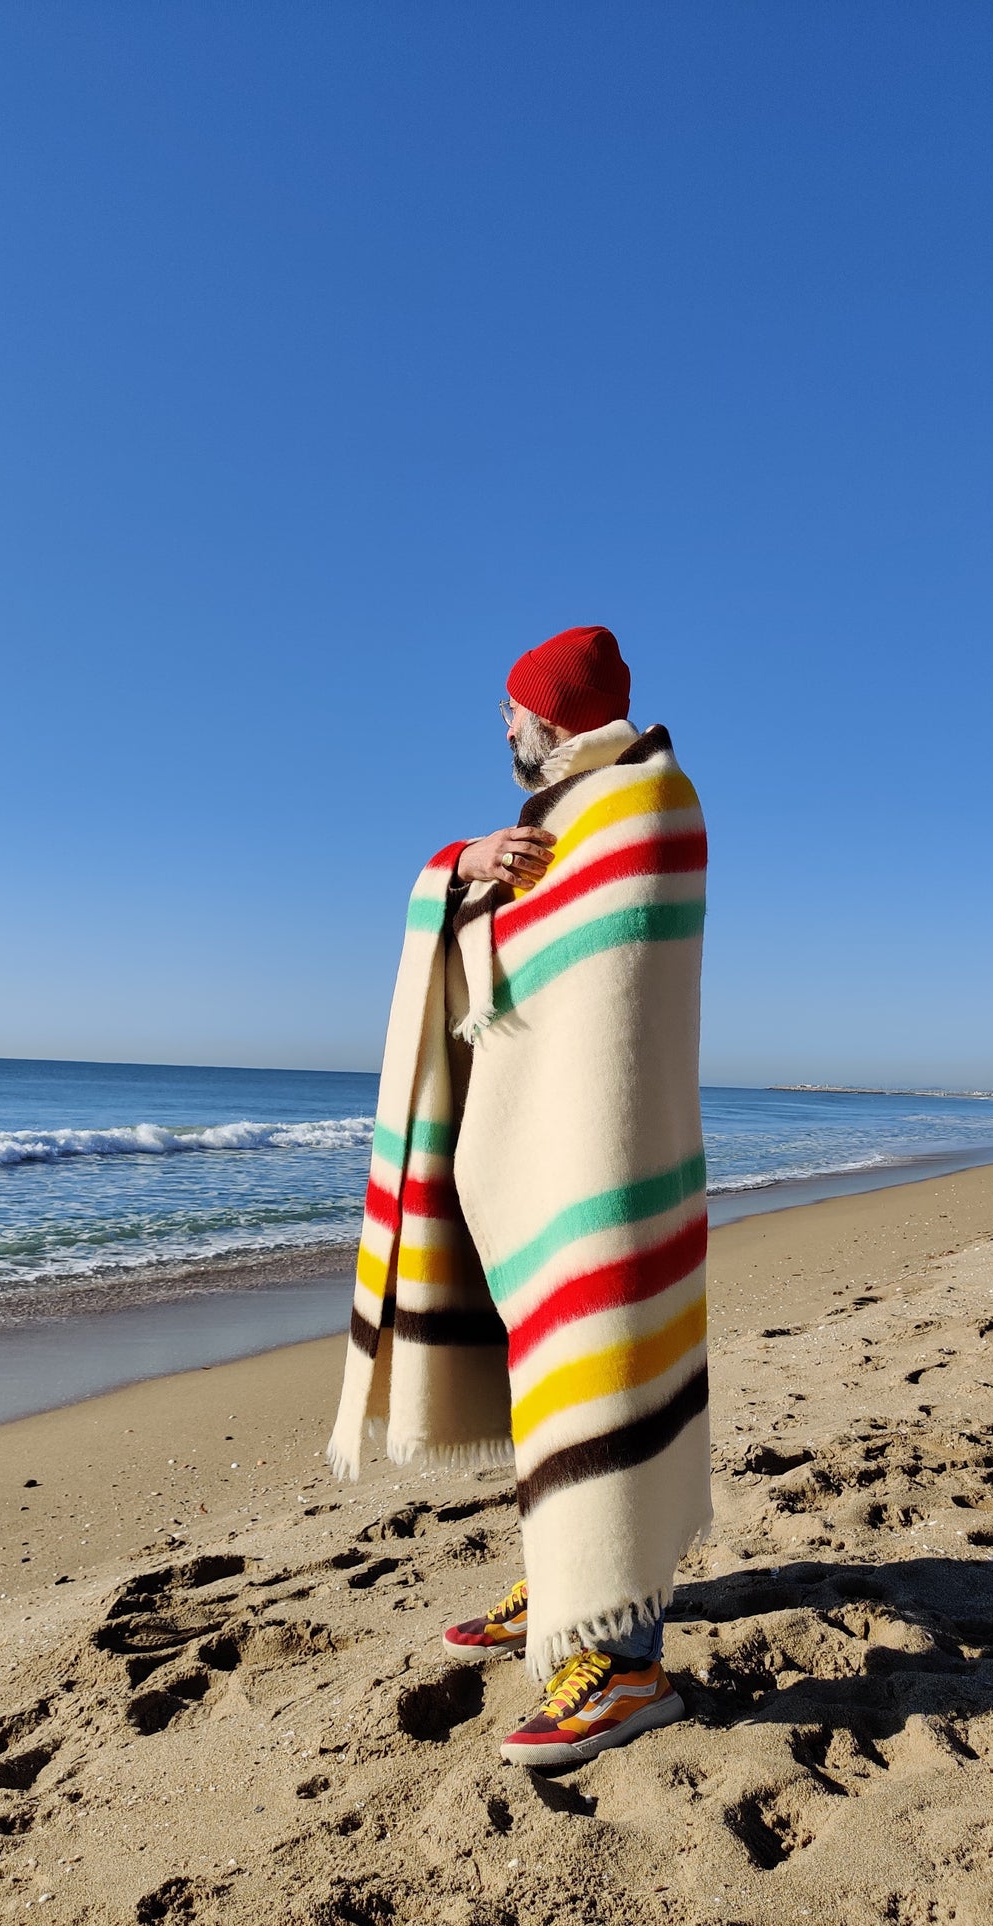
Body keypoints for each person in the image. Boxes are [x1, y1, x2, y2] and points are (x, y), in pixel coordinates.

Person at [329, 625, 711, 1768]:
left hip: (607, 1165)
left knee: (608, 1375)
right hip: (530, 1165)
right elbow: (487, 941)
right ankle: (565, 1585)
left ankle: (625, 1662)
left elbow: (614, 980)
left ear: (550, 715)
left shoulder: (645, 800)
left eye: (510, 712)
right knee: (551, 1386)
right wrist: (457, 866)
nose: (501, 729)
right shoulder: (539, 827)